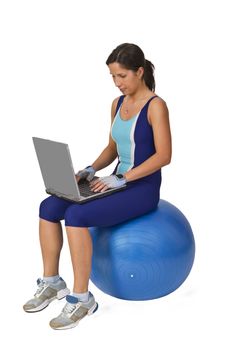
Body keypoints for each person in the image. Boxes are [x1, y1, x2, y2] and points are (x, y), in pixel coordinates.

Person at [23, 43, 172, 330]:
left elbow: (164, 155)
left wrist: (123, 178)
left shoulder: (156, 106)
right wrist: (91, 169)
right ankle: (52, 282)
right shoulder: (117, 104)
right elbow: (113, 148)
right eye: (113, 77)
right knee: (49, 206)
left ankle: (82, 299)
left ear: (140, 72)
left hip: (142, 188)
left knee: (77, 216)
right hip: (114, 182)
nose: (118, 83)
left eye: (123, 76)